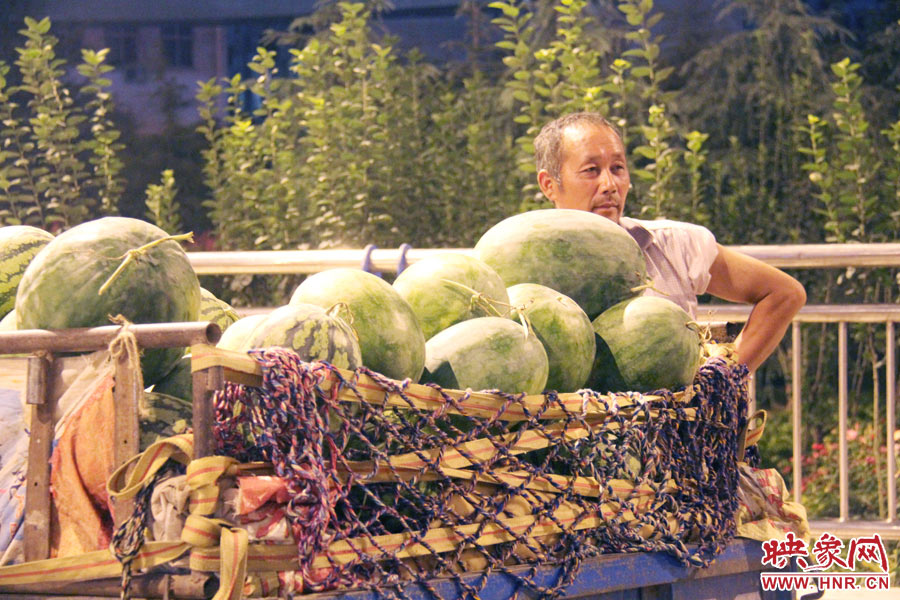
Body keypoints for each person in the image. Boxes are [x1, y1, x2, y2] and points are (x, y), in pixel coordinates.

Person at [534, 112, 806, 372]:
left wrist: (724, 379)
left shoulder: (676, 245)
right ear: (549, 184)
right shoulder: (530, 270)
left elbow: (784, 294)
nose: (609, 184)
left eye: (617, 168)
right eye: (591, 170)